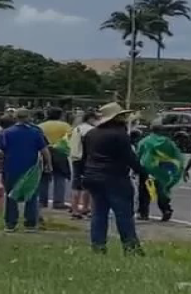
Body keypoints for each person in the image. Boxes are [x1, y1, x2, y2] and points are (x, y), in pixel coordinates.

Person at [82, 102, 142, 255]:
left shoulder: (91, 134)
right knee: (123, 214)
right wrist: (143, 172)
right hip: (114, 176)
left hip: (92, 176)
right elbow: (129, 157)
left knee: (99, 213)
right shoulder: (119, 135)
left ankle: (98, 247)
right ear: (117, 118)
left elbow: (85, 156)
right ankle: (131, 247)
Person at [0, 109, 52, 233]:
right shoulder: (35, 132)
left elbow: (0, 152)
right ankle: (30, 223)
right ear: (28, 117)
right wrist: (48, 164)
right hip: (31, 168)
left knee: (11, 195)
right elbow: (44, 151)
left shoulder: (6, 133)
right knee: (31, 195)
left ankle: (10, 223)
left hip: (10, 167)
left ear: (15, 118)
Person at [135, 124, 184, 221]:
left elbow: (138, 154)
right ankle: (166, 209)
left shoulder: (145, 141)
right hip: (163, 170)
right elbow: (176, 155)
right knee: (162, 191)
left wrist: (136, 168)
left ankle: (143, 213)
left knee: (145, 191)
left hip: (148, 169)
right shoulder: (168, 142)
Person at [38, 107, 72, 210]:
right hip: (60, 152)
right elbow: (70, 138)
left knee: (43, 177)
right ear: (60, 115)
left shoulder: (40, 126)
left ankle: (42, 201)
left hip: (44, 151)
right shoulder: (65, 126)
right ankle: (58, 201)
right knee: (60, 177)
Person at [68, 111, 98, 220]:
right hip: (87, 159)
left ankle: (75, 208)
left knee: (76, 184)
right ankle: (86, 207)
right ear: (90, 118)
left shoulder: (77, 128)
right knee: (88, 185)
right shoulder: (91, 130)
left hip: (76, 158)